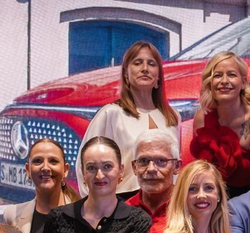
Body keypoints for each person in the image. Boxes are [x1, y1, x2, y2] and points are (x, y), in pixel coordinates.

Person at [77, 39, 180, 195]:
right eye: (137, 63)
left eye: (151, 64)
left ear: (159, 76)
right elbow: (84, 165)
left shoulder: (173, 117)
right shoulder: (110, 114)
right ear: (126, 74)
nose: (145, 69)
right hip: (123, 204)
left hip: (167, 206)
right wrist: (95, 209)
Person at [189, 50, 250, 198]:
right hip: (210, 200)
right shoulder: (202, 117)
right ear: (210, 83)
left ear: (243, 83)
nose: (224, 81)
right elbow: (200, 171)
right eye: (218, 75)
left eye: (232, 75)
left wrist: (246, 211)